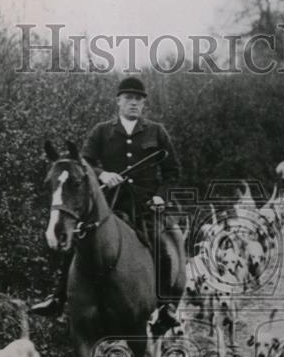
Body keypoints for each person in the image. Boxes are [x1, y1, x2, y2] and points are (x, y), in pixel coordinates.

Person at [30, 76, 183, 317]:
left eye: (138, 100)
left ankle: (165, 307)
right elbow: (84, 164)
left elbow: (172, 172)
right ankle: (58, 298)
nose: (134, 103)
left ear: (143, 104)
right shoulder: (102, 131)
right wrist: (103, 175)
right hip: (110, 204)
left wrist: (160, 197)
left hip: (145, 206)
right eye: (129, 98)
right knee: (77, 240)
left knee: (161, 247)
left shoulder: (156, 131)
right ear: (118, 102)